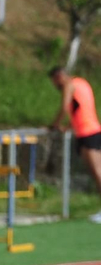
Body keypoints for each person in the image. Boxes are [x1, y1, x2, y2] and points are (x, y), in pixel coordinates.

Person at [48, 65, 101, 214]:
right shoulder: (82, 83)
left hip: (87, 133)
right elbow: (81, 109)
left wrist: (55, 125)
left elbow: (64, 107)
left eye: (55, 82)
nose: (56, 86)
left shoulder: (69, 85)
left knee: (97, 172)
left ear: (59, 77)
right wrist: (70, 126)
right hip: (92, 129)